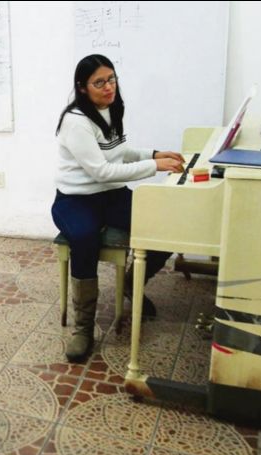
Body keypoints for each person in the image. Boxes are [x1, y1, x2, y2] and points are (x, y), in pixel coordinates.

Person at [51, 54, 185, 362]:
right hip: (74, 199)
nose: (108, 87)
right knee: (84, 238)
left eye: (111, 79)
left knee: (163, 226)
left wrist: (153, 152)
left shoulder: (110, 109)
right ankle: (84, 328)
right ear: (82, 87)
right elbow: (101, 171)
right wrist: (154, 165)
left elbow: (119, 153)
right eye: (99, 82)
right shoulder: (76, 122)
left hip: (109, 195)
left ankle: (131, 284)